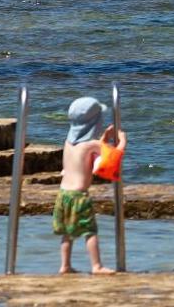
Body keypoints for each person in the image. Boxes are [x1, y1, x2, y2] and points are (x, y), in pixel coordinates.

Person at [53, 97, 120, 275]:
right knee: (90, 231)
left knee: (67, 232)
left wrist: (103, 139)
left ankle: (65, 265)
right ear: (94, 123)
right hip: (79, 195)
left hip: (63, 194)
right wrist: (122, 140)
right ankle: (96, 266)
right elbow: (111, 155)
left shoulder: (68, 143)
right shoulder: (91, 144)